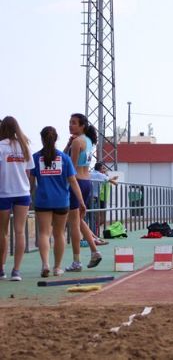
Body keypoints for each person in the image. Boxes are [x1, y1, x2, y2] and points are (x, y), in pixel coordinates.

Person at [30, 127, 86, 278]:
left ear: (42, 139)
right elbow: (73, 182)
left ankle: (45, 264)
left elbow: (31, 183)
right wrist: (81, 201)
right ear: (56, 139)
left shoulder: (35, 158)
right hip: (62, 201)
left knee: (43, 233)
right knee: (59, 233)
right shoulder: (64, 158)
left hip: (43, 201)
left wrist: (30, 197)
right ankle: (57, 267)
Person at [63, 113, 102, 271]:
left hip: (77, 182)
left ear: (82, 126)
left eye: (74, 123)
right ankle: (94, 251)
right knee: (78, 220)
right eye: (70, 122)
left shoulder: (78, 142)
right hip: (86, 182)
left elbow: (69, 166)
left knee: (74, 224)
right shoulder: (88, 140)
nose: (70, 125)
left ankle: (77, 261)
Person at [0, 116, 35, 281]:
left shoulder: (1, 146)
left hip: (4, 193)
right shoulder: (24, 146)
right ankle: (16, 270)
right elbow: (28, 172)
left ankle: (1, 269)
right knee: (20, 231)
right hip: (22, 192)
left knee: (3, 232)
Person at [89, 161, 118, 244]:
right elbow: (110, 181)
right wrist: (114, 180)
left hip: (95, 197)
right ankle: (94, 235)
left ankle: (94, 234)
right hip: (99, 197)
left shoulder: (94, 173)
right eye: (103, 168)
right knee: (96, 218)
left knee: (92, 217)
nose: (105, 169)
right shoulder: (101, 175)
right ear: (100, 169)